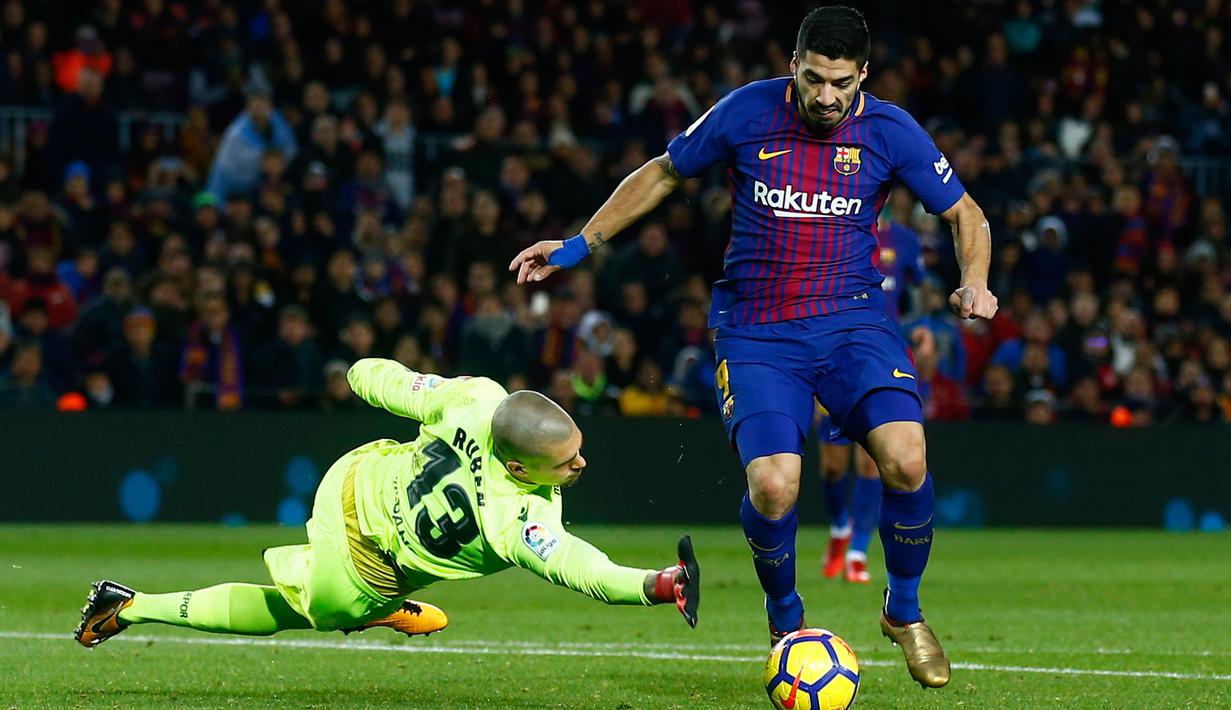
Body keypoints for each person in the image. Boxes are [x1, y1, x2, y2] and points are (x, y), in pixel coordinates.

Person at [509, 6, 996, 689]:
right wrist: (576, 245)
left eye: (840, 83)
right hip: (757, 330)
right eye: (813, 78)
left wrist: (975, 281)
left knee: (906, 457)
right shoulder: (746, 111)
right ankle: (785, 617)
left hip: (853, 325)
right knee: (772, 484)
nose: (825, 96)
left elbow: (964, 212)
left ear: (863, 75)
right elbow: (663, 172)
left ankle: (904, 611)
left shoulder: (889, 130)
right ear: (793, 64)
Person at [76, 359, 699, 648]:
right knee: (297, 612)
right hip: (358, 573)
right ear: (517, 468)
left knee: (321, 592)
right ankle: (132, 607)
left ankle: (374, 608)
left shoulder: (476, 398)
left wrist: (357, 372)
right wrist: (657, 583)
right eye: (564, 463)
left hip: (350, 478)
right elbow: (584, 570)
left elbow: (382, 378)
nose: (579, 465)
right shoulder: (517, 519)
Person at [818, 203, 926, 586]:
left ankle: (858, 551)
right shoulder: (834, 226)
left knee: (871, 462)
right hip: (832, 353)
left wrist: (918, 327)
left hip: (883, 357)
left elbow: (914, 295)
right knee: (832, 465)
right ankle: (840, 526)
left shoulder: (905, 240)